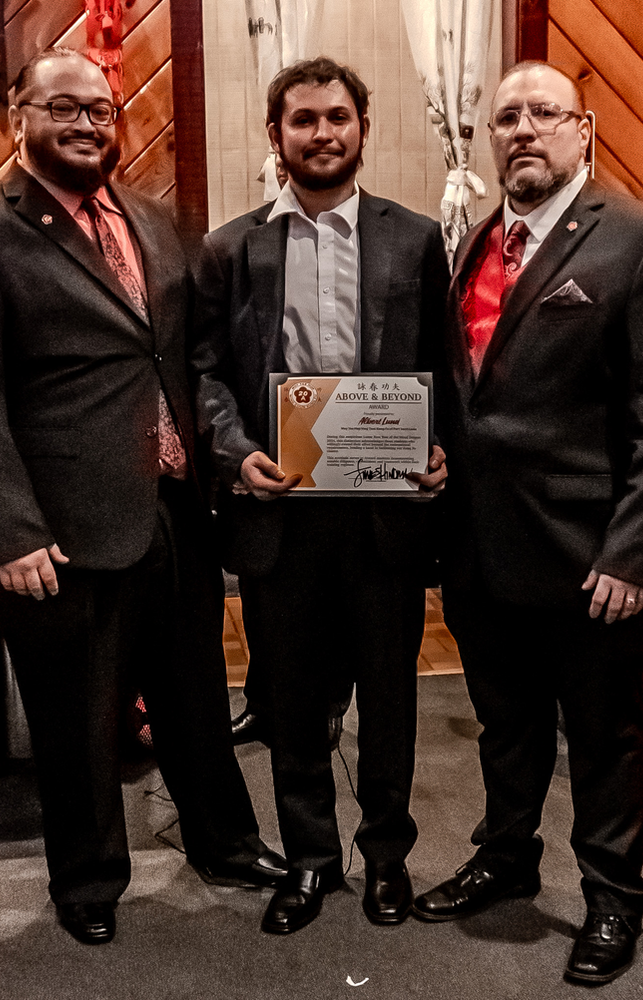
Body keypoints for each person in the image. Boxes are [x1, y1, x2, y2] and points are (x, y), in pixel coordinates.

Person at [0, 46, 285, 947]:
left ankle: (225, 841)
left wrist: (229, 458)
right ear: (19, 119)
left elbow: (180, 360)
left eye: (100, 110)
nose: (86, 124)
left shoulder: (155, 220)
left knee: (195, 692)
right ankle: (86, 877)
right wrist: (11, 530)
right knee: (77, 714)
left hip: (172, 508)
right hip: (60, 526)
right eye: (64, 109)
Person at [412, 61, 643, 985]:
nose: (523, 131)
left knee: (604, 737)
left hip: (592, 556)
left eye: (543, 114)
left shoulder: (642, 240)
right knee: (504, 726)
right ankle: (506, 860)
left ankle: (613, 901)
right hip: (479, 546)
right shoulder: (473, 246)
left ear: (583, 130)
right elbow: (472, 396)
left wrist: (634, 550)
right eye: (506, 118)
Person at [193, 57, 450, 934]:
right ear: (276, 137)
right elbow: (204, 376)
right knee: (290, 701)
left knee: (389, 700)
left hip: (384, 514)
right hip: (279, 513)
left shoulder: (415, 238)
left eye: (337, 117)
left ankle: (385, 858)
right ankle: (308, 860)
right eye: (302, 120)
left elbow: (444, 372)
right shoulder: (230, 248)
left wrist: (441, 452)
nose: (322, 133)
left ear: (361, 130)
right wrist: (234, 454)